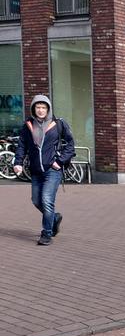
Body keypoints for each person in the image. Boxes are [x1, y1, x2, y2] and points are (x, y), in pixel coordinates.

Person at [13, 94, 75, 246]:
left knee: (47, 200)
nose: (41, 110)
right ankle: (54, 218)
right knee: (36, 201)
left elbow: (71, 145)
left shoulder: (58, 123)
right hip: (35, 170)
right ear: (33, 109)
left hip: (53, 170)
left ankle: (47, 233)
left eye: (43, 107)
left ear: (48, 109)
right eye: (38, 107)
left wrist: (59, 162)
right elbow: (22, 146)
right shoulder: (28, 125)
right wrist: (18, 162)